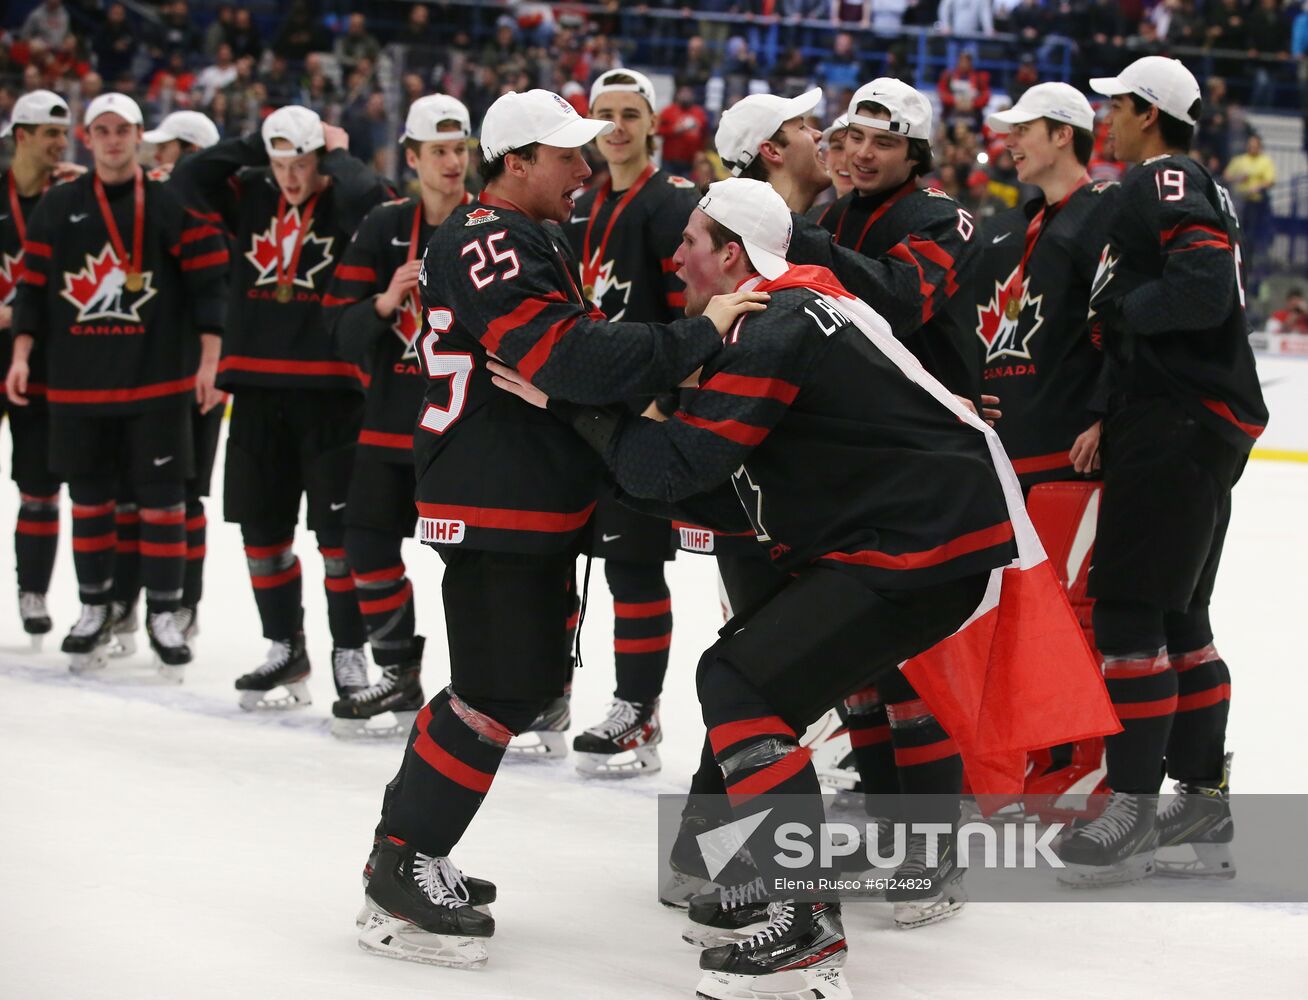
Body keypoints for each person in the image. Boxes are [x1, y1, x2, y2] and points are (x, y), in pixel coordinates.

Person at [489, 176, 1115, 1000]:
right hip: (927, 541)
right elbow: (712, 479)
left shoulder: (775, 323)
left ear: (736, 255)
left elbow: (675, 469)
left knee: (739, 682)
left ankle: (805, 924)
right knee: (759, 681)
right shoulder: (798, 305)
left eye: (692, 241)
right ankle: (753, 875)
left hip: (912, 546)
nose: (675, 255)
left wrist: (572, 406)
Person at [354, 89, 767, 968]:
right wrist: (694, 332)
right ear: (515, 161)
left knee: (514, 684)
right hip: (493, 496)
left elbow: (573, 355)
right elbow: (568, 357)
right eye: (565, 154)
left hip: (521, 496)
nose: (585, 168)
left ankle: (410, 850)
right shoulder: (490, 236)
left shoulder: (520, 232)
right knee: (495, 689)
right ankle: (402, 868)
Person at [1053, 56, 1268, 885]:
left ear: (1146, 112)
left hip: (1175, 419)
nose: (1107, 117)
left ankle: (1133, 808)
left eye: (1116, 104)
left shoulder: (1166, 176)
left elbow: (1203, 290)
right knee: (1182, 618)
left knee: (1131, 615)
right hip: (1185, 420)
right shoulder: (1172, 183)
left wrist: (1117, 312)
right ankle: (1202, 796)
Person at [171, 105, 391, 710]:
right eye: (280, 163)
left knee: (337, 539)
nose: (290, 177)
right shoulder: (250, 194)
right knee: (262, 534)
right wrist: (259, 142)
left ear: (321, 157)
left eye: (301, 162)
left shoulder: (346, 201)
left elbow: (375, 198)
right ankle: (284, 646)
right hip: (258, 392)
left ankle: (350, 649)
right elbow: (187, 179)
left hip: (332, 393)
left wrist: (336, 151)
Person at [5, 93, 229, 676]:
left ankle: (163, 612)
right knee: (91, 502)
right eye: (101, 130)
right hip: (77, 386)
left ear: (138, 136)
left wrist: (210, 359)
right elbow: (30, 287)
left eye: (123, 129)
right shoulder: (59, 206)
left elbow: (208, 283)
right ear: (87, 137)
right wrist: (23, 353)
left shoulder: (168, 202)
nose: (112, 140)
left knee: (162, 502)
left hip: (156, 382)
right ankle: (94, 606)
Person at [543, 68, 700, 777]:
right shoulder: (579, 200)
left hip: (640, 410)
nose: (615, 125)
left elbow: (691, 308)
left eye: (629, 113)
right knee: (559, 558)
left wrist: (667, 399)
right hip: (578, 408)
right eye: (603, 112)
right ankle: (548, 694)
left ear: (652, 124)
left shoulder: (671, 203)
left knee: (633, 567)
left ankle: (639, 710)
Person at [977, 83, 1121, 802]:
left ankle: (1087, 773)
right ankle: (1039, 759)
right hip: (1015, 457)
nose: (1010, 140)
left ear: (1064, 134)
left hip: (1071, 453)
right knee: (1029, 622)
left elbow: (1117, 325)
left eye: (1023, 128)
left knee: (1075, 621)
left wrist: (1104, 414)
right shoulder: (1022, 223)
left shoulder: (1103, 213)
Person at [322, 95, 474, 739]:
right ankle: (396, 671)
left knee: (477, 568)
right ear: (410, 158)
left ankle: (489, 692)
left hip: (468, 436)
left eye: (459, 149)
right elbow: (336, 327)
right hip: (389, 428)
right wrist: (385, 301)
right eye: (437, 151)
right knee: (364, 545)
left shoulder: (489, 225)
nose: (451, 162)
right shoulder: (383, 224)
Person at [98, 109, 226, 658]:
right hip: (151, 370)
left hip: (199, 372)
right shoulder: (155, 209)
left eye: (167, 150)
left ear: (193, 154)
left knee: (185, 494)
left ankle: (182, 603)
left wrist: (217, 364)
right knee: (131, 490)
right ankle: (125, 598)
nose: (157, 160)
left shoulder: (214, 212)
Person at [0, 90, 76, 644]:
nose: (60, 144)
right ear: (20, 136)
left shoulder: (72, 199)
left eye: (64, 134)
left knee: (39, 483)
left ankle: (33, 593)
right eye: (49, 134)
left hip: (43, 354)